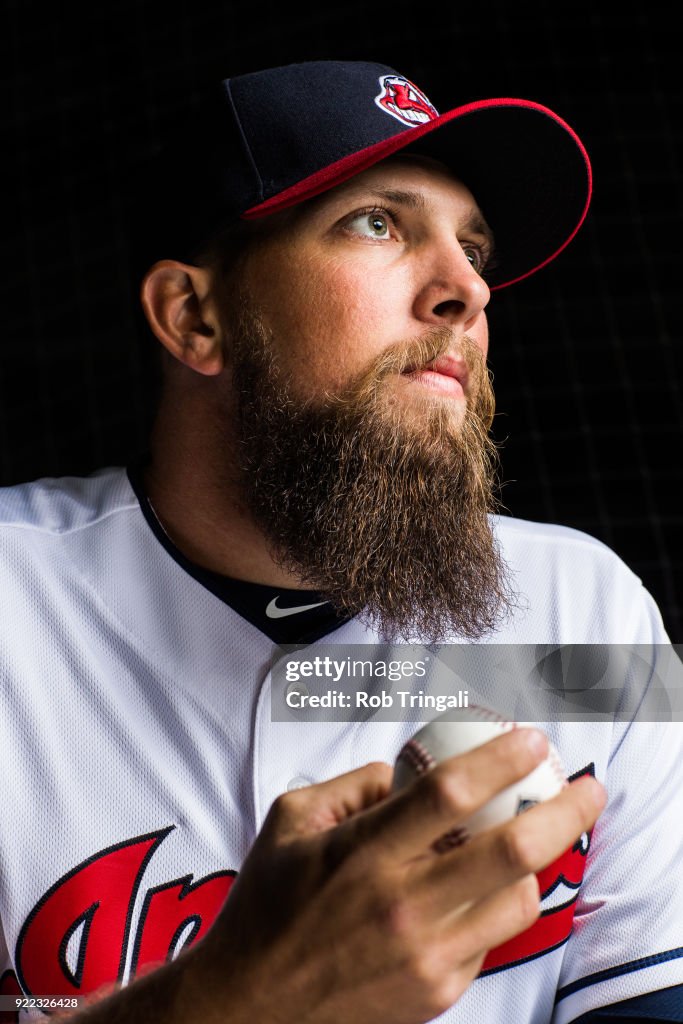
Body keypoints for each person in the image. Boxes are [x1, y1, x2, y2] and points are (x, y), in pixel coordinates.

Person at [0, 59, 681, 1024]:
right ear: (195, 318)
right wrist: (233, 1002)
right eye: (378, 223)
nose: (464, 291)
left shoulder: (591, 613)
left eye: (474, 251)